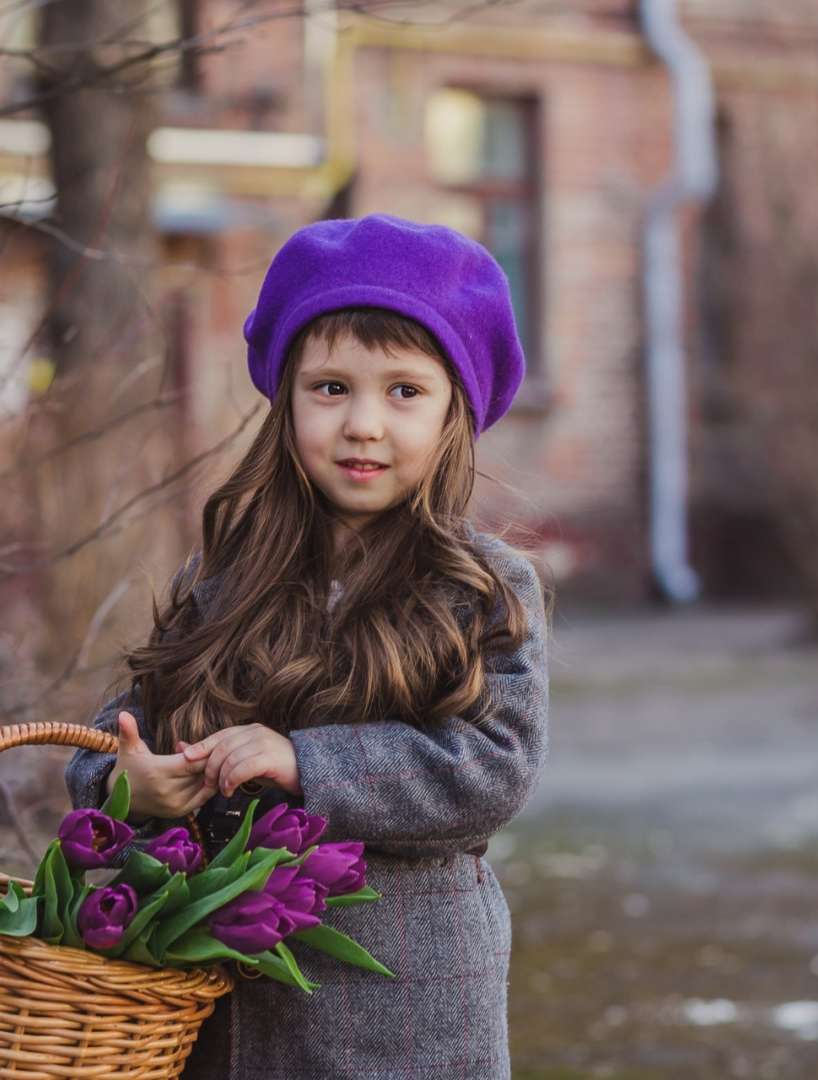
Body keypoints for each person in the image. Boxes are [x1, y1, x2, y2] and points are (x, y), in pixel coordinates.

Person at [65, 212, 550, 1080]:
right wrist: (119, 780)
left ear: (454, 415)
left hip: (408, 1009)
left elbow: (492, 766)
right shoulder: (223, 579)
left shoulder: (482, 586)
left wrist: (305, 762)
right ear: (287, 399)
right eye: (331, 388)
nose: (363, 423)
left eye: (404, 391)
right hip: (228, 1006)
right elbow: (121, 729)